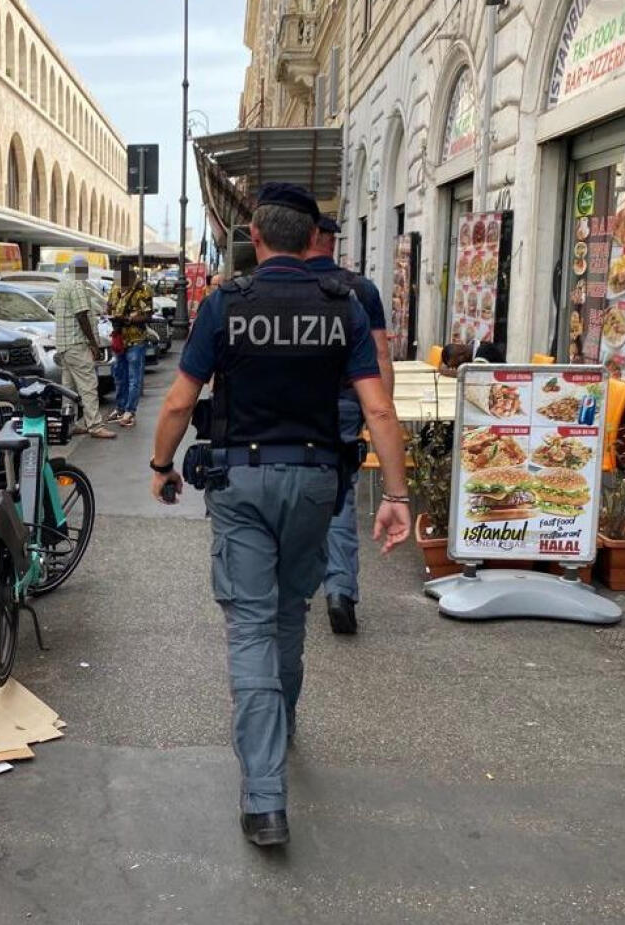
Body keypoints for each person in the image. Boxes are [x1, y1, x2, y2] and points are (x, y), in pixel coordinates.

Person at [147, 183, 411, 847]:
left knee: (251, 624)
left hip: (241, 481)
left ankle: (265, 799)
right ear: (313, 238)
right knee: (290, 612)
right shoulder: (342, 305)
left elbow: (180, 401)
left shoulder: (225, 304)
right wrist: (399, 499)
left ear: (257, 238)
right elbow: (378, 408)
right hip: (319, 478)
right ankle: (280, 722)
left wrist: (160, 466)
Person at [306, 215, 394, 635]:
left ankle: (291, 592)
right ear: (331, 241)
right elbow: (379, 356)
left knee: (290, 491)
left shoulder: (281, 283)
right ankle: (339, 590)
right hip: (344, 404)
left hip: (290, 410)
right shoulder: (361, 289)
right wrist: (383, 416)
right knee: (339, 498)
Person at [53, 256, 115, 440]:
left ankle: (69, 423)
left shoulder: (62, 285)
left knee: (68, 388)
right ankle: (95, 425)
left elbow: (54, 309)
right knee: (88, 385)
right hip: (77, 344)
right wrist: (94, 344)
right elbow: (82, 315)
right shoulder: (77, 285)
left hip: (63, 344)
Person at [106, 263, 153, 428]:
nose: (119, 282)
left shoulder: (142, 289)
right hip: (120, 339)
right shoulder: (115, 288)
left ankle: (130, 411)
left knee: (134, 377)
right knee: (119, 375)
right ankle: (120, 408)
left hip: (135, 339)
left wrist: (129, 319)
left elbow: (147, 315)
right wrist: (112, 315)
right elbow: (109, 306)